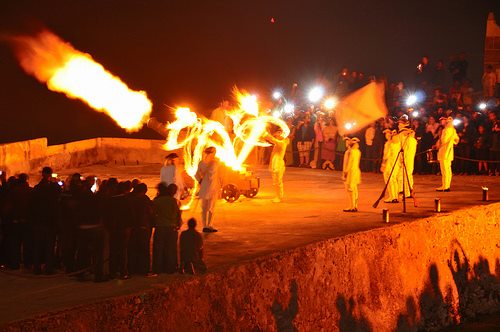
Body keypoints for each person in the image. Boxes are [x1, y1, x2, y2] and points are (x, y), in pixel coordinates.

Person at [30, 167, 61, 275]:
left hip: (39, 221)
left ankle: (37, 267)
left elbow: (32, 205)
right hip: (49, 222)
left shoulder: (37, 188)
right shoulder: (53, 188)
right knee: (49, 246)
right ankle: (48, 267)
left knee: (38, 246)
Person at [152, 183, 181, 274]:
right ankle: (170, 268)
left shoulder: (156, 201)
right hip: (171, 227)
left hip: (160, 227)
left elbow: (152, 214)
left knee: (158, 249)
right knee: (171, 249)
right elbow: (178, 215)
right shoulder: (173, 201)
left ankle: (158, 268)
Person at [195, 147, 221, 233]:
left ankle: (204, 225)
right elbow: (212, 176)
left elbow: (196, 175)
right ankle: (209, 225)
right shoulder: (214, 163)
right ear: (212, 153)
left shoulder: (201, 163)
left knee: (204, 208)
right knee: (211, 208)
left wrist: (200, 181)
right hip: (212, 188)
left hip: (204, 188)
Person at [264, 128, 289, 203]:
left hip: (278, 165)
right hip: (275, 164)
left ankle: (279, 197)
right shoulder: (278, 143)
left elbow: (272, 139)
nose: (277, 134)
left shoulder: (282, 143)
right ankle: (277, 196)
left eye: (279, 132)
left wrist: (266, 134)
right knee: (275, 182)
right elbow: (272, 140)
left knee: (278, 182)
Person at [435, 117, 459, 191]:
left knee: (444, 170)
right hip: (449, 151)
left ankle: (445, 186)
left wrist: (439, 141)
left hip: (444, 151)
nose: (441, 122)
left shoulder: (446, 130)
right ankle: (446, 185)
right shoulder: (453, 130)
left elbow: (444, 140)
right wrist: (451, 141)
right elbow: (457, 140)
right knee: (448, 169)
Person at [342, 137, 361, 212]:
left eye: (347, 142)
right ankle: (354, 205)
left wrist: (345, 173)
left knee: (350, 189)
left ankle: (352, 206)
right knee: (354, 189)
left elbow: (349, 163)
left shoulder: (350, 152)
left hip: (351, 172)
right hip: (355, 171)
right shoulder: (357, 151)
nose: (346, 143)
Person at [381, 130, 400, 203]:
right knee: (394, 180)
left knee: (389, 179)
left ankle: (392, 196)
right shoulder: (398, 144)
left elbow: (386, 156)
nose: (386, 135)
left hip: (389, 164)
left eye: (387, 134)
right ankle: (395, 196)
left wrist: (383, 165)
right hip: (396, 163)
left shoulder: (389, 144)